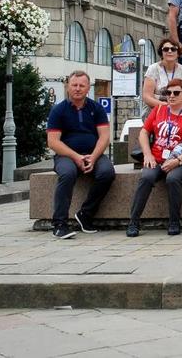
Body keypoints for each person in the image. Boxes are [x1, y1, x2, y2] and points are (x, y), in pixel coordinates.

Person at [46, 71, 115, 239]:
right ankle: (60, 224)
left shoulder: (96, 108)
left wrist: (93, 156)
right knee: (67, 174)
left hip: (94, 154)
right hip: (66, 156)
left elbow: (105, 136)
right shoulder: (58, 111)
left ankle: (85, 214)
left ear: (87, 88)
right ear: (68, 87)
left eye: (81, 86)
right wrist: (76, 157)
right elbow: (53, 142)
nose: (77, 89)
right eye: (74, 85)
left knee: (107, 173)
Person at [128, 78, 182, 237]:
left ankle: (174, 221)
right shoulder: (159, 110)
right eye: (168, 93)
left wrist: (177, 161)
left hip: (179, 160)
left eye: (176, 93)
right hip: (156, 158)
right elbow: (144, 133)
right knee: (146, 177)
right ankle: (134, 221)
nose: (171, 96)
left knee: (172, 179)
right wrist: (148, 154)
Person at [141, 38, 182, 114]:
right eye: (166, 49)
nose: (169, 51)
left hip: (178, 110)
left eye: (173, 49)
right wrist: (167, 106)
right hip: (155, 110)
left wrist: (180, 106)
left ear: (178, 53)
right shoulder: (153, 69)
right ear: (161, 53)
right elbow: (147, 97)